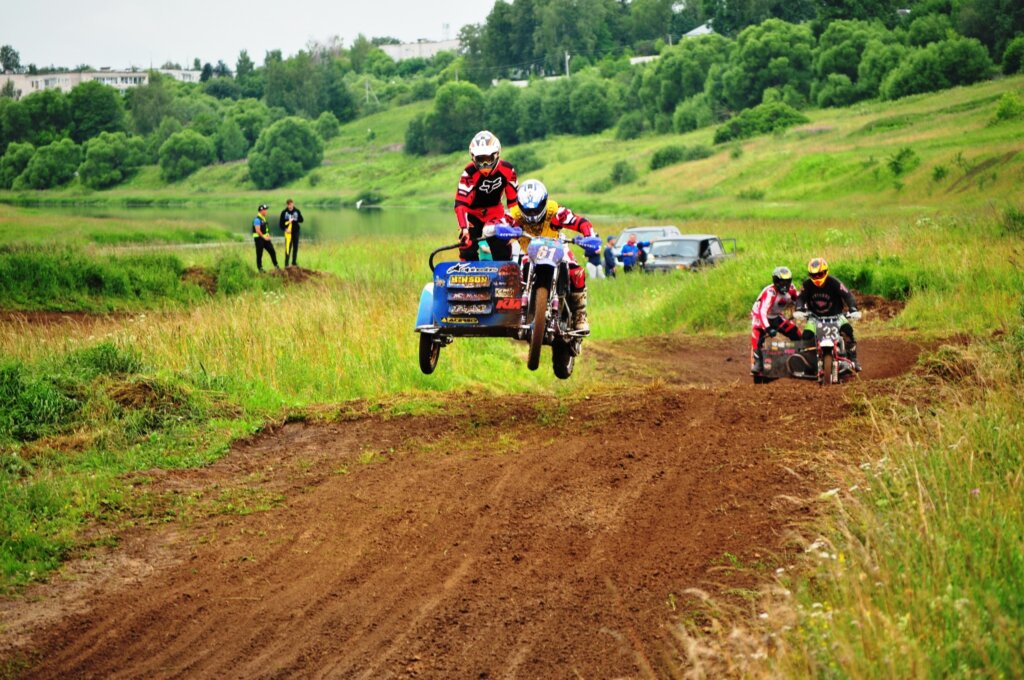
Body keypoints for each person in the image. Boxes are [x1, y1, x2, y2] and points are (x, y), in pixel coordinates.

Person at [506, 179, 600, 333]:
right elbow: (498, 225)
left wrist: (589, 236)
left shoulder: (556, 212)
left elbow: (580, 222)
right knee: (512, 276)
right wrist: (501, 231)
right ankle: (515, 310)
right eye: (527, 210)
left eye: (536, 209)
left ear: (544, 202)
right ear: (520, 205)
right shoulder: (514, 215)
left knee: (576, 272)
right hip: (529, 252)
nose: (532, 214)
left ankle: (580, 315)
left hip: (557, 247)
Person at [454, 130, 518, 262]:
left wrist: (515, 223)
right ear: (473, 157)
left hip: (495, 213)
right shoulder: (469, 172)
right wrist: (464, 228)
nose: (484, 164)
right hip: (473, 213)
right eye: (480, 159)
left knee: (502, 245)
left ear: (497, 154)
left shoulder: (508, 170)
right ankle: (469, 272)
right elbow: (460, 203)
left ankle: (506, 271)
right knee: (467, 246)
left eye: (488, 159)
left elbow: (513, 202)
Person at [795, 257, 862, 370]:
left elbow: (847, 295)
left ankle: (853, 359)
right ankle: (807, 362)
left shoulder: (834, 282)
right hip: (815, 317)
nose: (817, 277)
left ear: (826, 272)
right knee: (806, 336)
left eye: (820, 274)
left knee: (848, 330)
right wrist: (799, 308)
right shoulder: (807, 285)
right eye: (814, 275)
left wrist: (853, 308)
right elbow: (800, 298)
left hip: (837, 316)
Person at [750, 266, 802, 374]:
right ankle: (758, 362)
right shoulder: (770, 292)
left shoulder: (792, 289)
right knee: (757, 336)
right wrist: (768, 328)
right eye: (782, 282)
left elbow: (799, 299)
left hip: (776, 316)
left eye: (787, 282)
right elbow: (762, 312)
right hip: (760, 316)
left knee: (795, 331)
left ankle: (800, 357)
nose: (785, 285)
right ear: (776, 281)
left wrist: (803, 307)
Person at [252, 203, 279, 272]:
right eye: (265, 210)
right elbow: (258, 230)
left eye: (266, 210)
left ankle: (276, 266)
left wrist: (268, 235)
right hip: (259, 239)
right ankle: (260, 268)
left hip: (265, 239)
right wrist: (264, 238)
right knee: (259, 253)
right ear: (261, 210)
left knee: (272, 251)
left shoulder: (263, 219)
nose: (266, 211)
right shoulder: (257, 220)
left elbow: (265, 230)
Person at [279, 199, 304, 268]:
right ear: (287, 205)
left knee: (295, 247)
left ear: (293, 204)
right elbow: (280, 224)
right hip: (288, 233)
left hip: (296, 232)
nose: (290, 206)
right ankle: (286, 264)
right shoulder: (284, 212)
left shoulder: (297, 211)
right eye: (288, 205)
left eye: (291, 204)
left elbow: (302, 220)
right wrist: (285, 229)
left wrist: (295, 218)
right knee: (288, 248)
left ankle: (294, 262)